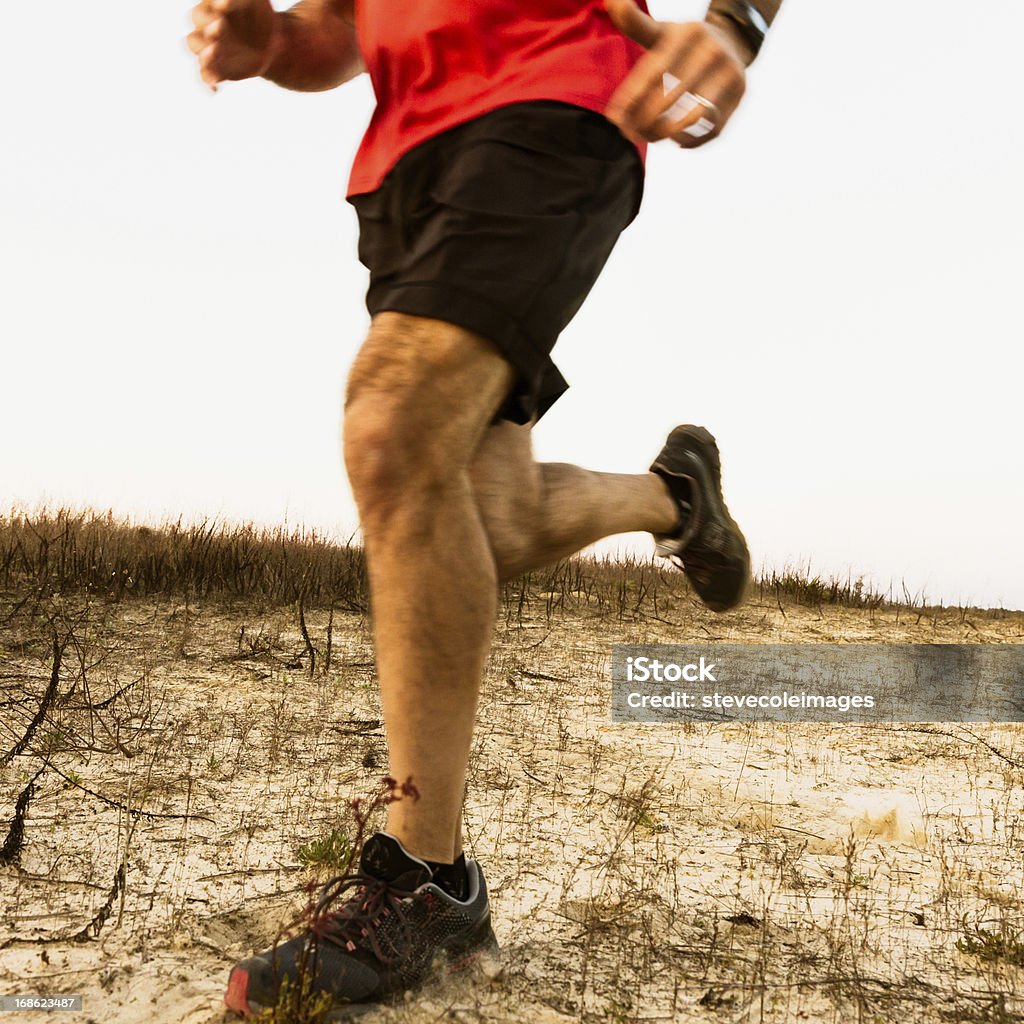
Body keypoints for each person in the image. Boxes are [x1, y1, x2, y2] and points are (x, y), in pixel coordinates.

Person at [187, 0, 782, 1015]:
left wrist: (733, 24)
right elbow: (333, 33)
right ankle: (676, 500)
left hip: (558, 99)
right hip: (407, 160)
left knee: (392, 425)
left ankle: (427, 875)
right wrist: (270, 46)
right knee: (488, 522)